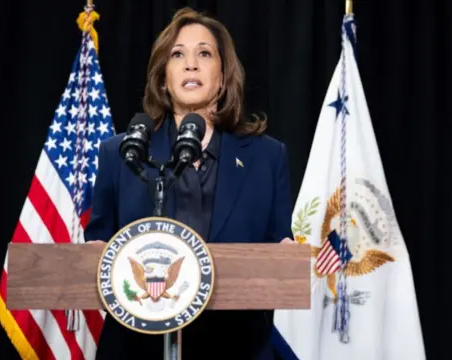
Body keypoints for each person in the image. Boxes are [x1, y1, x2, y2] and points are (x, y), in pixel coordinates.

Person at [84, 7, 294, 359]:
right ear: (164, 77)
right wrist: (93, 253)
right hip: (138, 348)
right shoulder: (120, 154)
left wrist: (287, 257)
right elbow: (98, 244)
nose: (191, 64)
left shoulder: (267, 157)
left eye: (205, 54)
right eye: (178, 54)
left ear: (223, 76)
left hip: (237, 346)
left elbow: (277, 249)